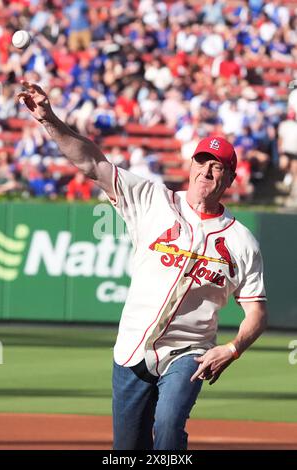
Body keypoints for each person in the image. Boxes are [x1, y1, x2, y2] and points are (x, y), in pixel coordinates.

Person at [18, 81, 268, 451]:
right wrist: (48, 119)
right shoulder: (153, 200)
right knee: (126, 452)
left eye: (218, 168)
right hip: (131, 349)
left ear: (230, 179)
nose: (207, 172)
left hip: (188, 353)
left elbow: (256, 312)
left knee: (167, 432)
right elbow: (92, 162)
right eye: (202, 162)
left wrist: (231, 350)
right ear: (191, 165)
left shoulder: (241, 240)